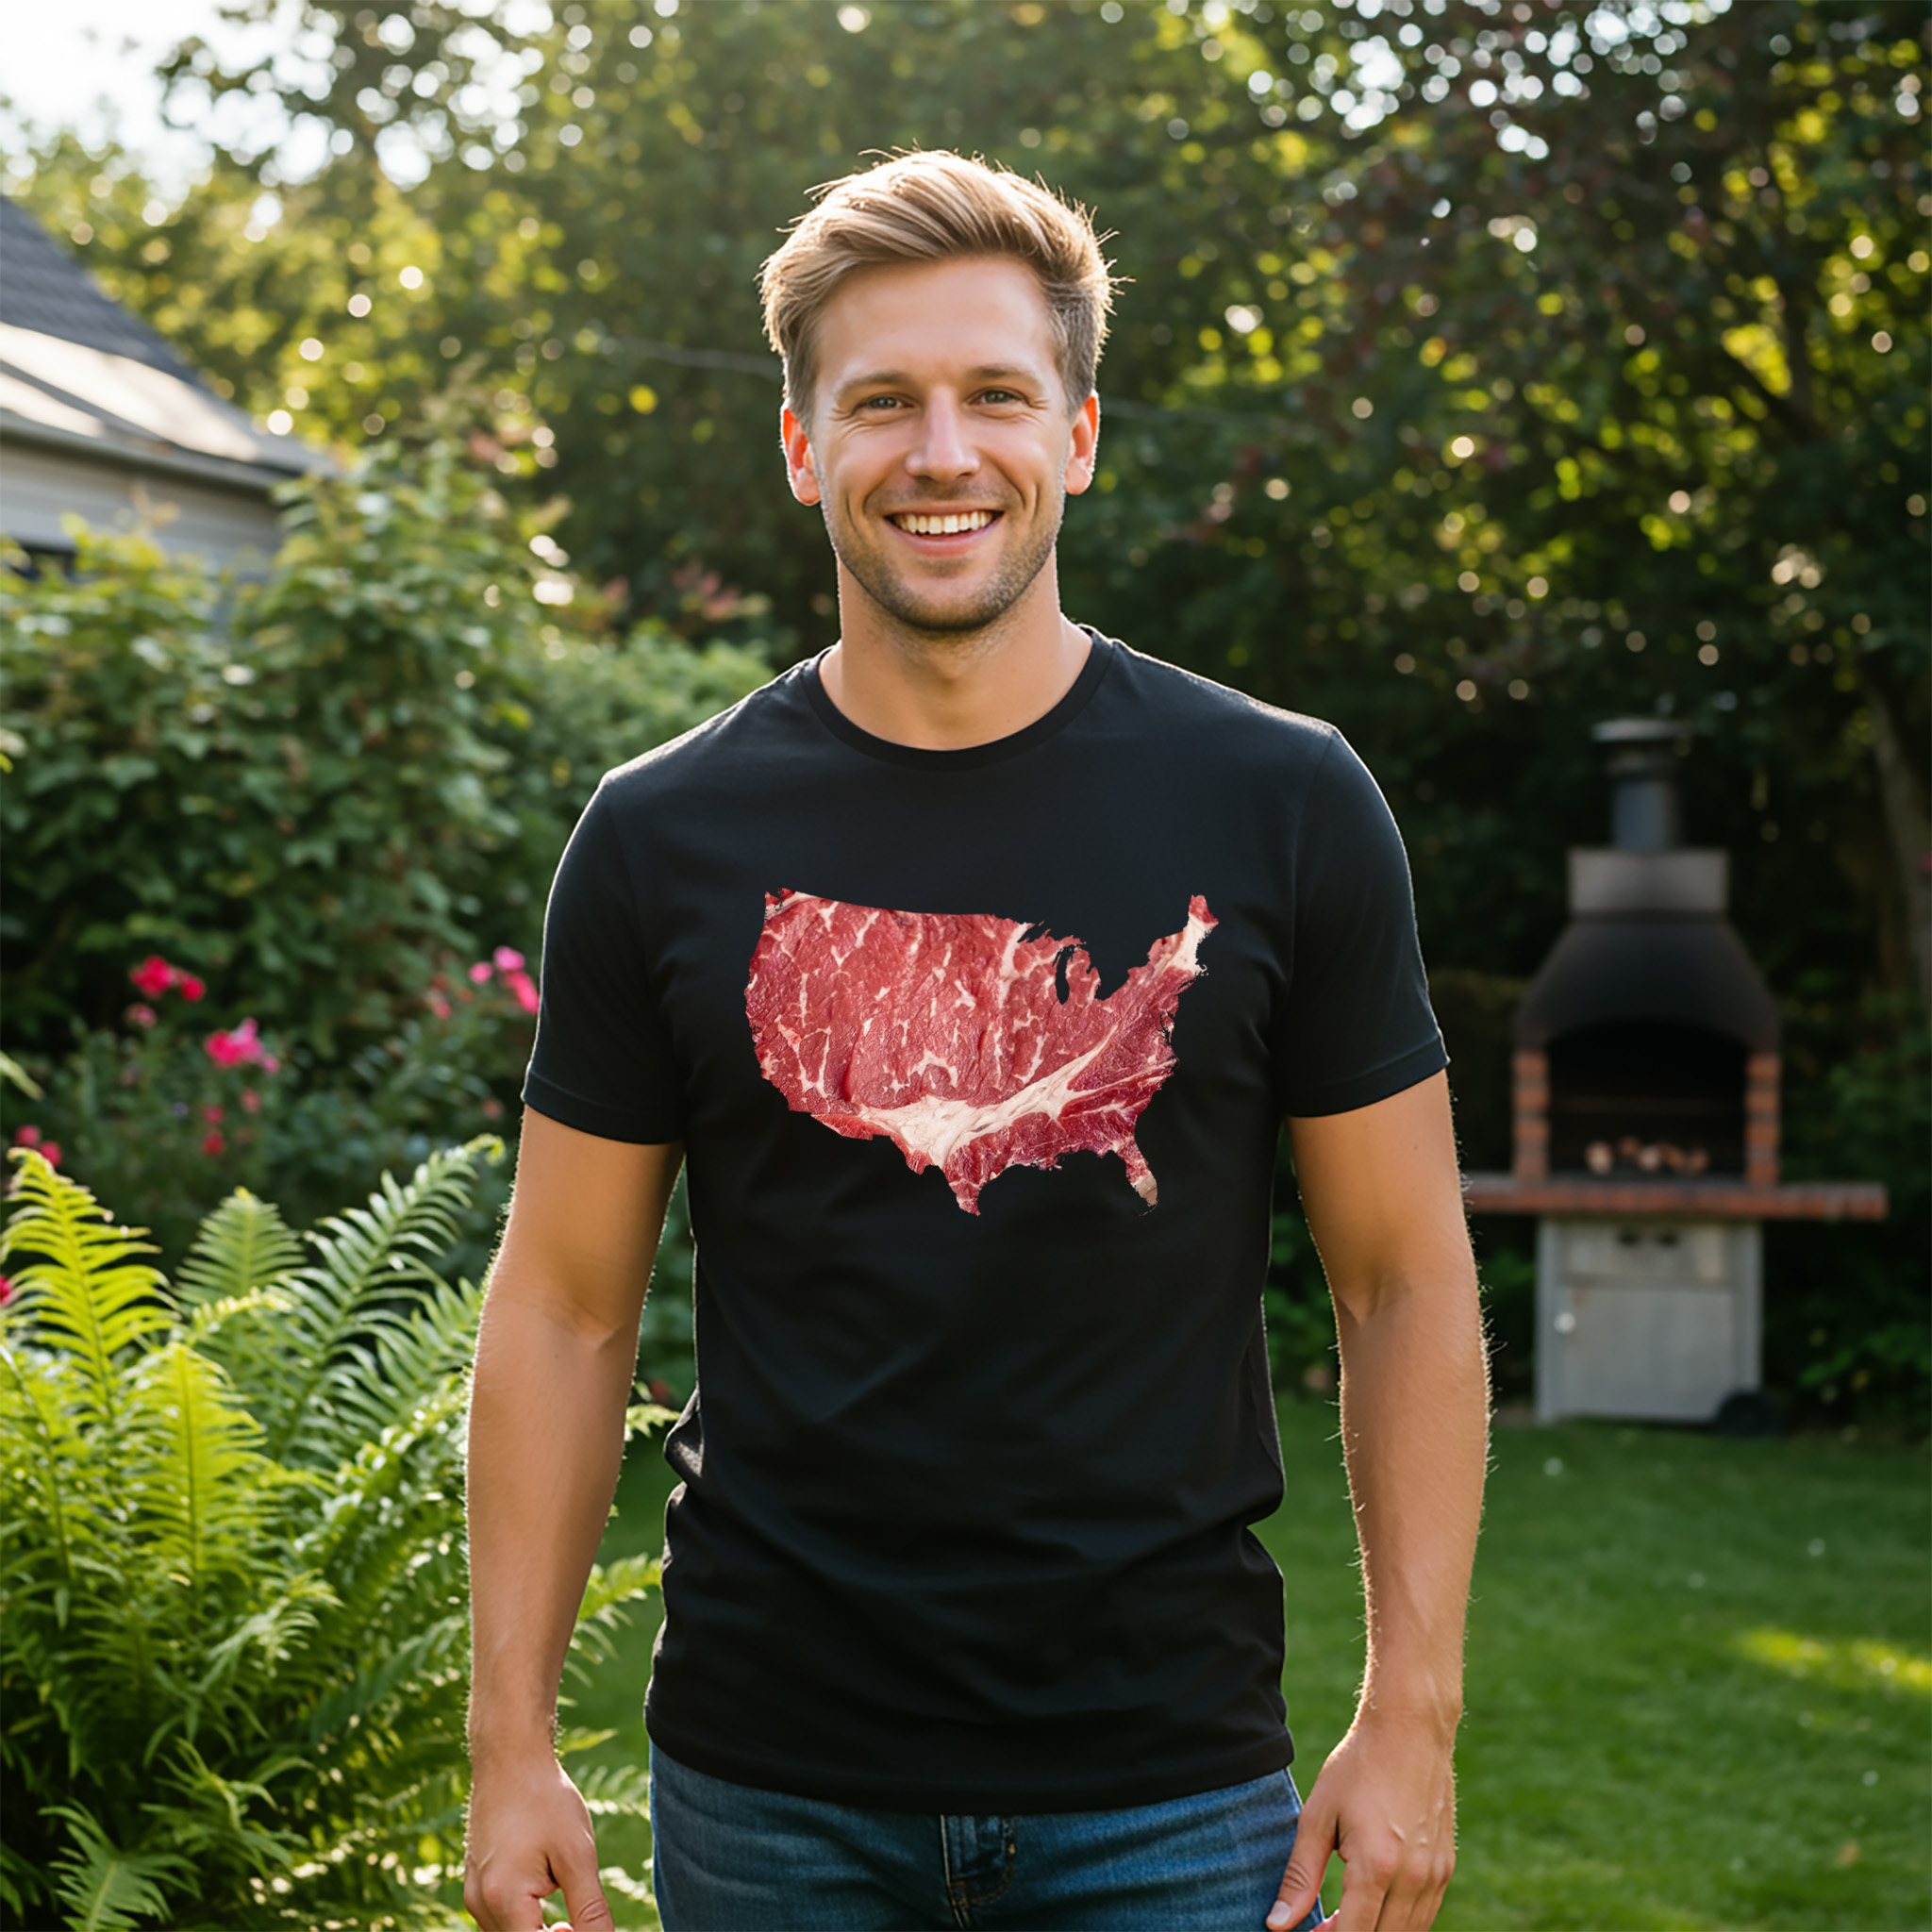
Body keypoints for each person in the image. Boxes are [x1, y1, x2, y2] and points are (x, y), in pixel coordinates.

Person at [464, 151, 1488, 1932]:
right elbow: (561, 1303)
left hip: (1166, 1783)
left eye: (996, 394)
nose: (943, 453)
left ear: (1078, 434)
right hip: (771, 1781)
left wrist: (1413, 1714)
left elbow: (1406, 1278)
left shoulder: (1287, 803)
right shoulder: (659, 837)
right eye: (882, 404)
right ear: (802, 449)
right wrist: (509, 1745)